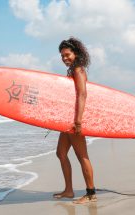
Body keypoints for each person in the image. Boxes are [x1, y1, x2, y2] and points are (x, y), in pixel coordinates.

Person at [53, 37, 96, 204]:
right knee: (61, 153)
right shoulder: (73, 70)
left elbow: (82, 94)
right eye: (62, 56)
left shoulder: (78, 70)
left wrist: (78, 121)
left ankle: (91, 193)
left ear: (76, 53)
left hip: (74, 120)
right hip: (68, 119)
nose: (64, 58)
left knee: (82, 155)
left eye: (67, 55)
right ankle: (69, 190)